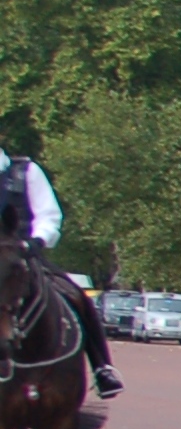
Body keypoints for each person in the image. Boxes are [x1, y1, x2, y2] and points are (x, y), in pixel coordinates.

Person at [0, 139, 123, 397]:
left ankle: (102, 368)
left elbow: (49, 215)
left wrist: (36, 241)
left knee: (76, 296)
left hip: (20, 257)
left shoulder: (26, 172)